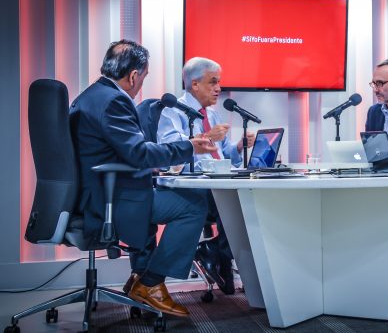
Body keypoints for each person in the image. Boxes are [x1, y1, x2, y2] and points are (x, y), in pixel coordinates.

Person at [69, 39, 217, 317]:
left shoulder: (89, 96)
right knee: (193, 205)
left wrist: (151, 166)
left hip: (93, 194)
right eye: (144, 77)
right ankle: (151, 282)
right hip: (110, 202)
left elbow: (114, 151)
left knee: (163, 195)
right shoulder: (114, 101)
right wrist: (189, 147)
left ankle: (141, 277)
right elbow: (138, 153)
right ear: (134, 75)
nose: (141, 85)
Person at [157, 57, 255, 294]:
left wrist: (239, 147)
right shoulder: (173, 111)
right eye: (213, 82)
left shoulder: (213, 113)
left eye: (219, 82)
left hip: (218, 185)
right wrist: (209, 136)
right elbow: (171, 150)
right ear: (194, 84)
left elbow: (222, 155)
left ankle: (219, 253)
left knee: (254, 200)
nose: (218, 88)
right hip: (195, 190)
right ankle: (219, 253)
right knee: (237, 202)